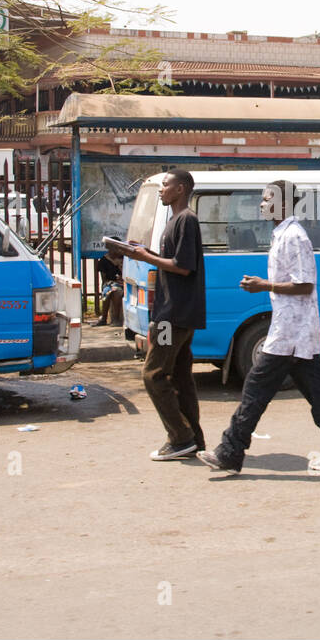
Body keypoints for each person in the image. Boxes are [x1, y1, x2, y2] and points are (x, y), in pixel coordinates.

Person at [198, 180, 320, 476]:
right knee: (319, 396)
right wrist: (266, 285)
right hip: (293, 331)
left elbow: (305, 284)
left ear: (283, 203)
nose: (261, 203)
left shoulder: (295, 236)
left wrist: (264, 286)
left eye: (267, 198)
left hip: (291, 334)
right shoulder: (282, 234)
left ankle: (230, 452)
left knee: (255, 390)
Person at [126, 169, 206, 461]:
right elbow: (171, 261)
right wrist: (143, 251)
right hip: (173, 312)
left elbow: (183, 266)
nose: (161, 189)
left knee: (153, 374)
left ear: (181, 189)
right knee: (181, 378)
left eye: (165, 185)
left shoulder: (186, 219)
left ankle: (180, 437)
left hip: (172, 315)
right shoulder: (175, 220)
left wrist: (145, 257)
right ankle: (193, 439)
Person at [95, 250, 124, 327]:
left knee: (117, 293)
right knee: (107, 292)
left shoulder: (124, 259)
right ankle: (104, 318)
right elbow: (104, 279)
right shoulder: (104, 260)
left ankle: (116, 319)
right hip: (110, 283)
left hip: (123, 283)